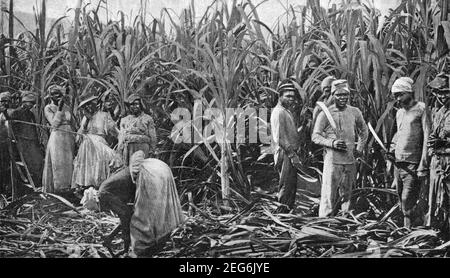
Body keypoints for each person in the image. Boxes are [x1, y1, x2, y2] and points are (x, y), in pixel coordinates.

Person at [98, 151, 184, 257]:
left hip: (146, 176)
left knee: (141, 221)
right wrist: (111, 235)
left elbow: (126, 216)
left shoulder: (104, 194)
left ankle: (141, 250)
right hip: (157, 166)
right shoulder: (108, 187)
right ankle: (166, 234)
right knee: (160, 210)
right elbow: (126, 214)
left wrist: (125, 246)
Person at [312, 79, 368, 217]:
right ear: (333, 95)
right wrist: (332, 143)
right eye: (339, 95)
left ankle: (345, 221)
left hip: (350, 160)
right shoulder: (326, 113)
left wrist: (359, 149)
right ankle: (325, 222)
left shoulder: (355, 112)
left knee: (348, 194)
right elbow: (315, 136)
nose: (342, 98)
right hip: (333, 160)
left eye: (345, 95)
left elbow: (364, 131)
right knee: (328, 194)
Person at [390, 77, 431, 228]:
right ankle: (409, 229)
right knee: (401, 198)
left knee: (408, 198)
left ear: (410, 92)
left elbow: (427, 136)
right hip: (398, 162)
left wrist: (423, 163)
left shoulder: (421, 109)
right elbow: (398, 134)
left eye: (401, 94)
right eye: (396, 96)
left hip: (413, 162)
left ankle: (408, 232)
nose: (398, 99)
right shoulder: (400, 112)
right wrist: (391, 151)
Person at [71, 94, 121, 191]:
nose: (89, 107)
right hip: (87, 145)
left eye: (90, 104)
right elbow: (80, 135)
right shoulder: (85, 118)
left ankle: (102, 187)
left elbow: (113, 130)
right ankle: (87, 188)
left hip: (99, 143)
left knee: (111, 158)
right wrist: (86, 120)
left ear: (95, 104)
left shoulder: (104, 115)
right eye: (86, 106)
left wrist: (122, 137)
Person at [270, 79, 301, 213]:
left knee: (290, 184)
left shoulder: (285, 111)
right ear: (280, 96)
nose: (291, 99)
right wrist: (292, 155)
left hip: (289, 152)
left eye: (293, 97)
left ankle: (287, 212)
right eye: (287, 96)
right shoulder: (279, 112)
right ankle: (282, 214)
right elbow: (280, 138)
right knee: (286, 185)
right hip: (285, 153)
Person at [426, 73, 450, 236]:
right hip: (437, 159)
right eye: (438, 92)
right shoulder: (438, 111)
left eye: (446, 92)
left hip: (448, 158)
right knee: (437, 195)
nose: (441, 96)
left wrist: (445, 142)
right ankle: (441, 229)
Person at [42, 85, 75, 194]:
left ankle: (68, 186)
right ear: (50, 96)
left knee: (68, 161)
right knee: (58, 161)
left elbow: (72, 121)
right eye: (54, 94)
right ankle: (59, 188)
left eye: (59, 94)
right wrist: (59, 109)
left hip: (68, 135)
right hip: (57, 136)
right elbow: (54, 124)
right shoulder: (48, 108)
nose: (57, 96)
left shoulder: (67, 107)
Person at [8, 91, 44, 188]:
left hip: (32, 141)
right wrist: (17, 139)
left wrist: (37, 141)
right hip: (23, 142)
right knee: (29, 163)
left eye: (32, 103)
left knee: (38, 161)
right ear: (24, 102)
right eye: (30, 103)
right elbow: (12, 129)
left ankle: (39, 182)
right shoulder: (16, 113)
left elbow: (34, 128)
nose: (31, 105)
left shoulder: (31, 114)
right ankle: (33, 184)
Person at [118, 94, 157, 165]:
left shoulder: (148, 119)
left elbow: (153, 136)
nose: (134, 106)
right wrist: (119, 151)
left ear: (141, 105)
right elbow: (121, 136)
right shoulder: (124, 120)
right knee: (129, 169)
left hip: (143, 147)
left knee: (143, 168)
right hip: (129, 149)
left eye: (136, 104)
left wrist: (152, 150)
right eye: (131, 104)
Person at [0, 92, 12, 194]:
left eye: (7, 101)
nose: (5, 103)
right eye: (3, 101)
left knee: (6, 166)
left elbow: (10, 122)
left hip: (5, 143)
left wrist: (5, 113)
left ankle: (6, 189)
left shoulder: (9, 112)